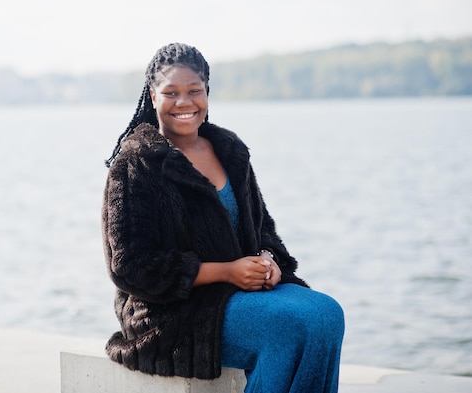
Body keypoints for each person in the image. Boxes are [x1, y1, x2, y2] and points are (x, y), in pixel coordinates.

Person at [102, 43, 344, 393]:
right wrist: (227, 272)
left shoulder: (230, 150)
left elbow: (263, 230)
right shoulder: (136, 164)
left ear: (207, 93)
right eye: (171, 93)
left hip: (237, 295)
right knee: (287, 328)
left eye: (194, 91)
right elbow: (130, 267)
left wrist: (269, 261)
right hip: (169, 311)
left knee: (327, 314)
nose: (184, 102)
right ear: (153, 96)